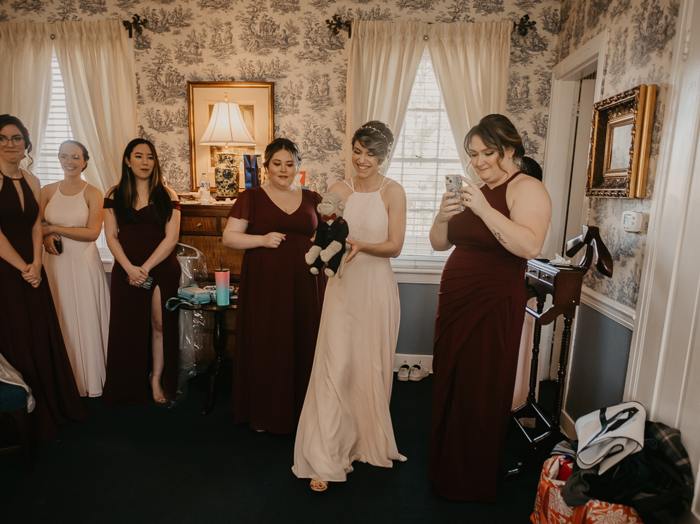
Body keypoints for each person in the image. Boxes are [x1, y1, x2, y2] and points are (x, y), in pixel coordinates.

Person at [427, 114, 552, 502]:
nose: (478, 162)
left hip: (494, 297)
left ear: (509, 149)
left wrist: (481, 208)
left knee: (481, 382)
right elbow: (438, 244)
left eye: (487, 153)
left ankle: (470, 476)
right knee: (451, 374)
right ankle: (445, 465)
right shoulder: (475, 191)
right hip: (456, 296)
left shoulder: (526, 188)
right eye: (473, 154)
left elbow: (529, 246)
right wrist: (443, 215)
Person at [293, 121, 407, 492]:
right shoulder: (338, 189)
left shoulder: (394, 192)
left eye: (370, 153)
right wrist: (324, 244)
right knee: (335, 363)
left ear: (383, 155)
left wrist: (360, 244)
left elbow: (395, 246)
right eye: (357, 151)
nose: (362, 159)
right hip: (342, 287)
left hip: (376, 286)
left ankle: (363, 442)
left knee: (368, 363)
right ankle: (326, 452)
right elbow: (324, 233)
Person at [0, 115, 87, 442]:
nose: (11, 144)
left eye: (17, 138)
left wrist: (37, 263)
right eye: (3, 138)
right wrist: (25, 267)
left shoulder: (31, 179)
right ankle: (24, 416)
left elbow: (37, 225)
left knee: (39, 333)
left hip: (33, 266)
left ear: (27, 143)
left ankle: (53, 406)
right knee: (17, 335)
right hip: (3, 267)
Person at [223, 138, 325, 433]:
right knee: (269, 340)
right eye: (277, 163)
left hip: (306, 284)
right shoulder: (251, 197)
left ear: (298, 167)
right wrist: (262, 240)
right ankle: (266, 412)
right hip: (265, 284)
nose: (284, 169)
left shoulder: (313, 198)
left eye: (290, 164)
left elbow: (325, 236)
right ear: (266, 166)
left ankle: (304, 411)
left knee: (304, 338)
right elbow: (230, 237)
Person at [102, 139, 181, 406]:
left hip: (160, 269)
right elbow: (111, 237)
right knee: (127, 327)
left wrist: (145, 269)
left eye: (149, 157)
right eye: (138, 156)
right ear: (128, 160)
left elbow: (171, 238)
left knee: (160, 325)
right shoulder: (114, 194)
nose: (145, 162)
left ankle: (156, 378)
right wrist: (129, 268)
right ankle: (128, 383)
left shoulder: (168, 194)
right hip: (126, 269)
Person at [40, 141, 110, 398]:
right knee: (61, 315)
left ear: (85, 161)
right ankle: (64, 381)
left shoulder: (93, 192)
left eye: (75, 156)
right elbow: (39, 222)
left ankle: (89, 381)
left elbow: (92, 233)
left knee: (84, 314)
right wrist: (46, 235)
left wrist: (53, 229)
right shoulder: (46, 190)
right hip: (54, 261)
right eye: (64, 156)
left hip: (82, 262)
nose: (69, 161)